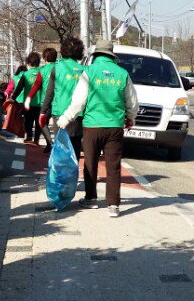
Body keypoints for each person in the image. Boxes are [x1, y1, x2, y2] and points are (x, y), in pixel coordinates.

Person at [58, 39, 138, 218]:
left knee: (90, 163)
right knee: (113, 166)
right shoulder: (122, 73)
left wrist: (66, 118)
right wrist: (131, 118)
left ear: (97, 54)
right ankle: (114, 206)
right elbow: (132, 101)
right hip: (114, 127)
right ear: (111, 55)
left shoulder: (89, 71)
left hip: (92, 126)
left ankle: (91, 199)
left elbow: (79, 101)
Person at [40, 37, 87, 159]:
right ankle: (73, 175)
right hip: (78, 116)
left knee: (61, 147)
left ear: (64, 50)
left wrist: (43, 111)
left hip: (59, 114)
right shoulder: (84, 70)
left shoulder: (58, 68)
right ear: (79, 51)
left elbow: (49, 93)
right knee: (75, 148)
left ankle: (61, 176)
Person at [10, 52, 42, 145]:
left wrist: (13, 98)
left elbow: (19, 88)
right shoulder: (42, 72)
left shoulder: (26, 74)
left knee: (28, 121)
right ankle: (36, 140)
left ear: (29, 63)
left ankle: (29, 137)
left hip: (28, 103)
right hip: (41, 103)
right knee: (38, 122)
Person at [34, 47, 58, 153]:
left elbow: (36, 86)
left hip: (46, 102)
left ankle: (50, 143)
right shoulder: (60, 68)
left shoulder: (42, 71)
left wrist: (29, 97)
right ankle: (52, 146)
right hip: (58, 101)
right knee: (60, 126)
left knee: (42, 123)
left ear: (45, 58)